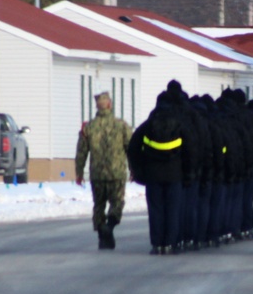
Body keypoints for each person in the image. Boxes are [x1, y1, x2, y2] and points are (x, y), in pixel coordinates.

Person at [127, 92, 193, 254]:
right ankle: (170, 243)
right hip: (174, 175)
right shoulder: (180, 125)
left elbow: (133, 148)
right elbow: (190, 150)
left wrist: (138, 170)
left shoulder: (148, 125)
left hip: (153, 175)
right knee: (172, 210)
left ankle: (157, 243)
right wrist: (187, 172)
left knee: (156, 209)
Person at [74, 91, 133, 250]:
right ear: (109, 105)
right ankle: (111, 225)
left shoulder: (89, 127)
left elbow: (81, 152)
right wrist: (133, 169)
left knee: (98, 204)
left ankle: (102, 235)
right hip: (117, 173)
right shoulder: (121, 125)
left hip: (97, 173)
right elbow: (130, 148)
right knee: (117, 202)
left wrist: (79, 172)